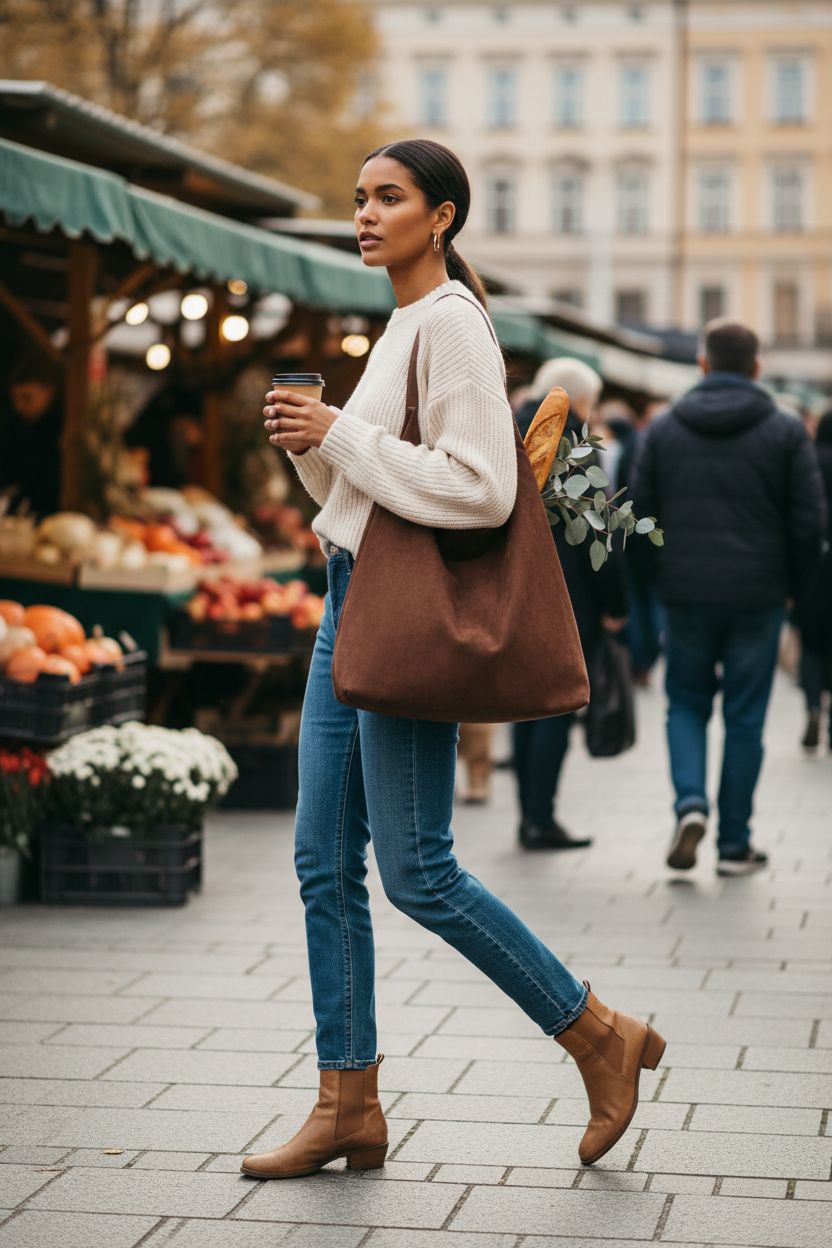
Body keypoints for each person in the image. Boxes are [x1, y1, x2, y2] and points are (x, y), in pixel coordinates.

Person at [241, 138, 666, 1181]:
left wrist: (338, 431)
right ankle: (349, 1103)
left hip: (403, 623)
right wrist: (311, 447)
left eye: (389, 197)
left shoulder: (454, 326)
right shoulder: (397, 327)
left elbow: (479, 489)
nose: (365, 212)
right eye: (357, 197)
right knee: (320, 865)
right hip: (351, 602)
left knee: (418, 872)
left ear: (442, 216)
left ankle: (598, 1034)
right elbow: (366, 499)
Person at [634, 319, 826, 877]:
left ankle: (690, 803)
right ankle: (734, 842)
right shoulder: (787, 430)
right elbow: (808, 523)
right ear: (757, 367)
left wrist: (656, 579)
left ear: (702, 364)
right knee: (745, 718)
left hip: (686, 594)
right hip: (758, 595)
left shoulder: (665, 428)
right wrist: (793, 587)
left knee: (687, 704)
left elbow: (639, 513)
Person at [514, 360, 628, 850]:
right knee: (555, 710)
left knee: (521, 709)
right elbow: (601, 535)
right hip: (564, 602)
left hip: (511, 597)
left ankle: (529, 814)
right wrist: (615, 606)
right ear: (579, 403)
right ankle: (540, 817)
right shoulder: (572, 451)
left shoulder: (504, 435)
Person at [795, 408, 832, 750]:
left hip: (813, 568)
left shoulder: (810, 460)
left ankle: (812, 707)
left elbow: (803, 517)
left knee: (811, 646)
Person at [0, 358, 63, 517]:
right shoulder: (15, 425)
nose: (19, 406)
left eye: (26, 398)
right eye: (15, 399)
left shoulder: (63, 429)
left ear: (49, 392)